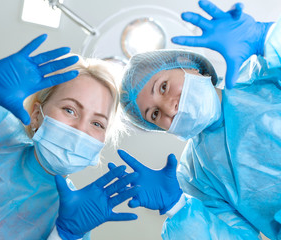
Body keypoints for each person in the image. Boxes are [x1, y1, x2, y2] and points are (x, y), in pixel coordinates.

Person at [0, 34, 140, 239]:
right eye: (70, 110)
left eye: (97, 123)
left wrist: (62, 235)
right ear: (36, 115)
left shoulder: (72, 216)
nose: (81, 130)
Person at [112, 0, 281, 239]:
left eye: (162, 87)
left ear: (190, 66)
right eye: (155, 115)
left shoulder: (259, 76)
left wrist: (265, 38)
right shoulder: (198, 176)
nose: (169, 108)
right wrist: (177, 208)